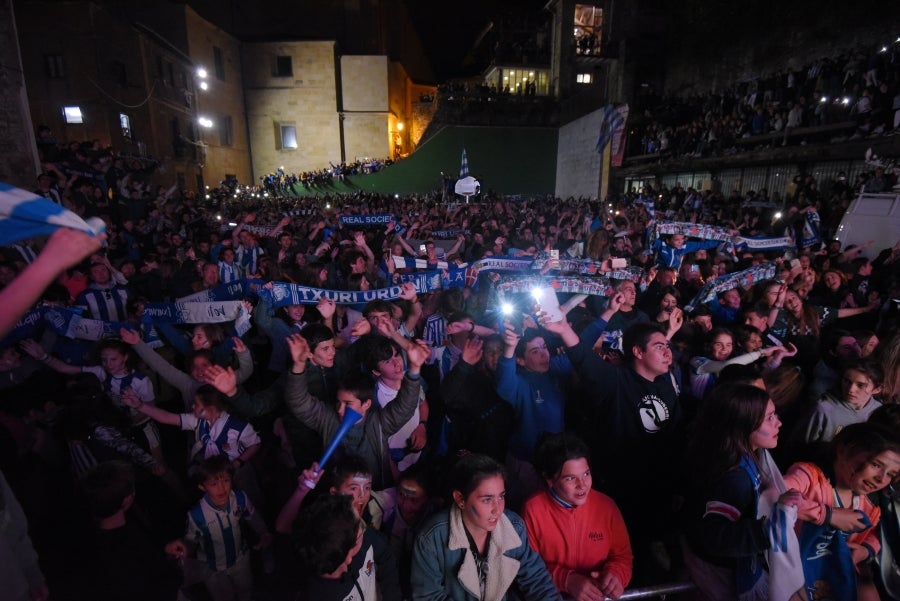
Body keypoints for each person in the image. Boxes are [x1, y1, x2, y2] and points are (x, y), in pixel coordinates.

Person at [681, 383, 802, 600]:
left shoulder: (743, 454)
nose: (779, 423)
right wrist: (767, 530)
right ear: (742, 425)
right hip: (719, 571)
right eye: (769, 418)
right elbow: (714, 536)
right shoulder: (733, 478)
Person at [284, 332, 428, 489]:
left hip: (375, 493)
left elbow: (405, 407)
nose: (340, 410)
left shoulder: (378, 423)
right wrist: (298, 365)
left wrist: (415, 368)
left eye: (348, 404)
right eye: (339, 402)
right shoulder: (327, 418)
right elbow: (298, 402)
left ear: (366, 404)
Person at [410, 453, 562, 600]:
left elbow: (536, 579)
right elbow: (428, 596)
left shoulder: (513, 527)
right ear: (460, 499)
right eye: (487, 500)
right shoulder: (432, 538)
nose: (498, 510)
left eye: (501, 496)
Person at [783, 423, 900, 601]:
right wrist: (827, 515)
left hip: (832, 574)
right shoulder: (809, 477)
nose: (881, 479)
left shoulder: (869, 502)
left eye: (891, 474)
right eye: (876, 464)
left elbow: (876, 531)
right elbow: (774, 497)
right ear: (843, 449)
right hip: (791, 570)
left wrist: (866, 550)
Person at [523, 432, 633, 600]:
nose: (582, 485)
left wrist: (616, 575)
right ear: (549, 479)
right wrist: (567, 580)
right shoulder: (533, 510)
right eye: (570, 478)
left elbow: (622, 556)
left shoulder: (606, 506)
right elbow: (527, 568)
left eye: (586, 474)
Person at [164, 455, 271, 601]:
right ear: (202, 487)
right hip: (212, 569)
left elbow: (252, 515)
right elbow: (191, 540)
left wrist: (263, 532)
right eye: (214, 484)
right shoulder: (197, 515)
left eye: (226, 480)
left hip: (240, 559)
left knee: (245, 588)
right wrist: (183, 548)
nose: (222, 488)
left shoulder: (240, 498)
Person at [0, 227, 104, 338]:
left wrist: (55, 304)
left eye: (9, 272)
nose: (6, 276)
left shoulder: (40, 287)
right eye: (1, 274)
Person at [294, 493, 401, 600]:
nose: (364, 530)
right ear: (348, 556)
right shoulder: (316, 595)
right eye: (361, 527)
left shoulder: (363, 538)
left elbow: (385, 555)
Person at [795, 361, 884, 448]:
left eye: (860, 385)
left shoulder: (879, 411)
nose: (851, 389)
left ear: (877, 389)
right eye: (847, 381)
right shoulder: (824, 409)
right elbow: (801, 446)